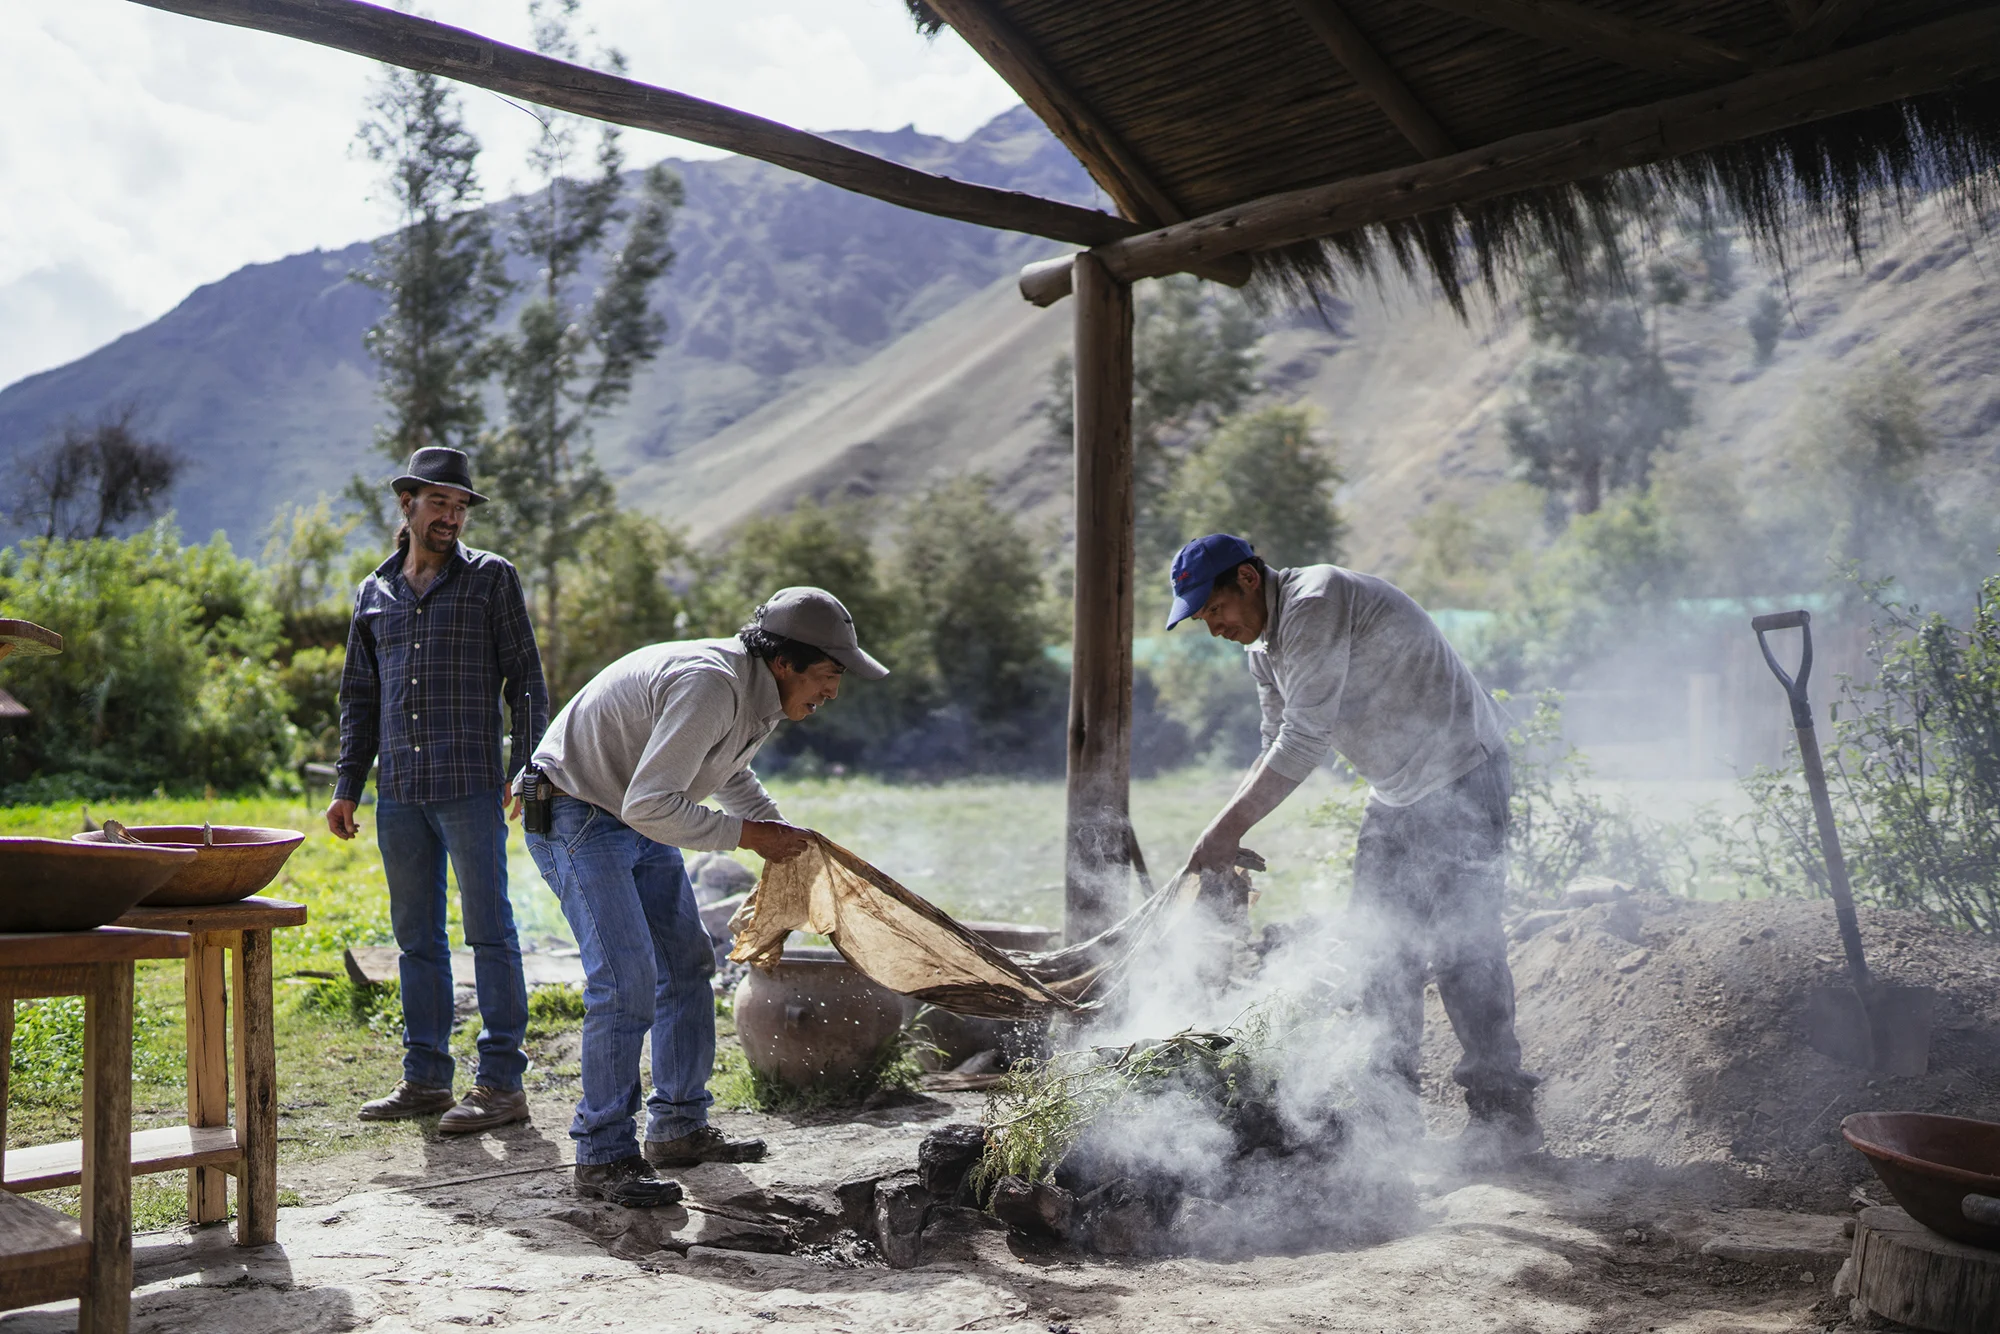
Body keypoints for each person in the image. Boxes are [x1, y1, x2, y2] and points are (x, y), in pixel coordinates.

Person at [1167, 533, 1540, 1161]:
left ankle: (1504, 1121)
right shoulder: (1266, 653)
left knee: (1462, 947)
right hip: (1395, 793)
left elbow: (1304, 740)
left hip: (1462, 774)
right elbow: (1272, 747)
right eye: (1202, 617)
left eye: (1214, 609)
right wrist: (1235, 828)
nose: (1213, 627)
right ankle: (1388, 1127)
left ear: (1250, 581)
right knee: (1376, 955)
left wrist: (1223, 831)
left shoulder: (1316, 600)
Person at [524, 587, 888, 1207]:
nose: (833, 692)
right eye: (828, 675)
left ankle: (678, 1127)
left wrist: (781, 832)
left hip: (632, 812)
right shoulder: (711, 684)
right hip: (579, 810)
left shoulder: (756, 695)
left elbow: (725, 772)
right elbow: (650, 804)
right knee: (625, 979)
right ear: (786, 661)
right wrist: (749, 836)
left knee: (687, 964)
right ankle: (603, 1155)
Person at [329, 446, 548, 1134]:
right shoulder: (374, 592)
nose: (452, 515)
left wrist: (528, 767)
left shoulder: (491, 579)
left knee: (490, 933)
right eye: (440, 502)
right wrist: (347, 786)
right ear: (409, 505)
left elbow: (528, 683)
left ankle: (501, 1084)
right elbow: (358, 698)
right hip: (398, 791)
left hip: (470, 785)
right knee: (415, 940)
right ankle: (425, 1078)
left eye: (460, 505)